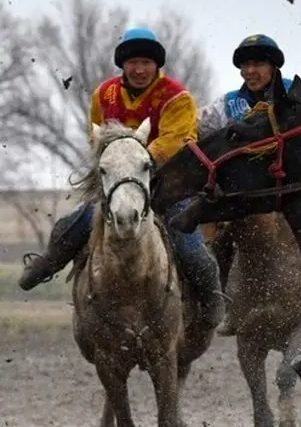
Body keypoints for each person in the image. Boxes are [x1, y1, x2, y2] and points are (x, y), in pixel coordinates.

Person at [18, 28, 226, 331]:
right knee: (72, 226)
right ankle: (46, 264)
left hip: (168, 186)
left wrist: (135, 156)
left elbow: (177, 141)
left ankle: (211, 303)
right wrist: (119, 165)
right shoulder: (104, 94)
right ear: (122, 65)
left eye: (146, 62)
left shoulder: (177, 97)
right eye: (132, 62)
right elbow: (96, 136)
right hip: (118, 187)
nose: (139, 69)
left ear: (157, 65)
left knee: (192, 250)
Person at [196, 34, 293, 335]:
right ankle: (230, 302)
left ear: (273, 67)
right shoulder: (226, 105)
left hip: (289, 186)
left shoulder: (292, 94)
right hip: (242, 194)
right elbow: (197, 129)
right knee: (221, 235)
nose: (250, 71)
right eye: (246, 65)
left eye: (258, 64)